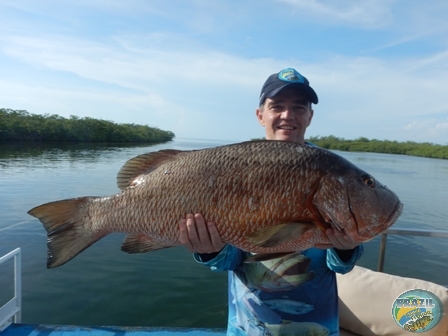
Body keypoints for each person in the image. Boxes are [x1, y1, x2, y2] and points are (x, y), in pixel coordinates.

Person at [178, 68, 364, 336]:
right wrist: (210, 250)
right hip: (248, 327)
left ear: (309, 116)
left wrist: (346, 249)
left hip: (317, 327)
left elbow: (340, 265)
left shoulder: (332, 171)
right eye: (277, 107)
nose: (288, 115)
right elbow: (229, 261)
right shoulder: (235, 166)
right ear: (260, 115)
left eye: (299, 108)